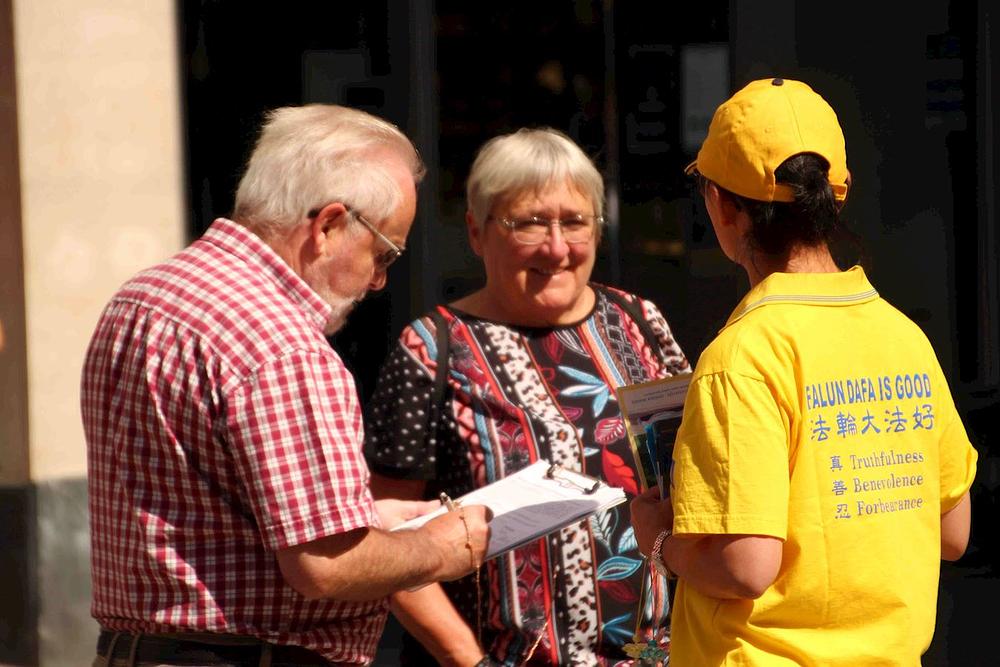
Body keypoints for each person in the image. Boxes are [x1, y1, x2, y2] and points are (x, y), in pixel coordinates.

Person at [81, 104, 490, 667]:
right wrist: (441, 547)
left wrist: (371, 521)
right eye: (383, 253)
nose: (379, 280)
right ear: (328, 226)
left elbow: (208, 506)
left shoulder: (145, 295)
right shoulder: (282, 345)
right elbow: (326, 564)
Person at [630, 78, 979, 665]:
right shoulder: (904, 337)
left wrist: (660, 542)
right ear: (836, 196)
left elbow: (745, 566)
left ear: (723, 206)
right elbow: (952, 533)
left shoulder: (742, 356)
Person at [366, 127, 690, 666]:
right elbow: (388, 538)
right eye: (530, 223)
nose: (557, 248)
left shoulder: (639, 322)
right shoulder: (433, 349)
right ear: (477, 232)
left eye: (575, 222)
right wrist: (468, 660)